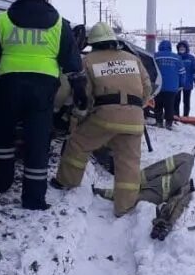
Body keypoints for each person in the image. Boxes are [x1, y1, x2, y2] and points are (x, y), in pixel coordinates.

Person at [0, 0, 86, 211]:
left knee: (4, 135)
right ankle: (33, 199)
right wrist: (79, 87)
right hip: (42, 89)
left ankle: (2, 182)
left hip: (9, 85)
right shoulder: (58, 23)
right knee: (37, 141)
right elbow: (72, 60)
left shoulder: (2, 20)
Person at [52, 22, 154, 216]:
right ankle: (125, 207)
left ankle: (66, 181)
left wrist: (78, 115)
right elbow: (147, 88)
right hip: (134, 118)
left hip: (104, 117)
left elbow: (85, 94)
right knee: (129, 163)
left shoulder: (88, 61)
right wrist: (134, 108)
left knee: (78, 143)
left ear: (93, 43)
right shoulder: (132, 59)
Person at [153, 40, 184, 129]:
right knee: (169, 106)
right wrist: (181, 84)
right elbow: (182, 72)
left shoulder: (155, 56)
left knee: (158, 105)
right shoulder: (177, 58)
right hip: (172, 87)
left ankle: (159, 122)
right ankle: (169, 123)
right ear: (170, 47)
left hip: (158, 86)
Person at [174, 40, 195, 117]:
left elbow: (194, 70)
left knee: (186, 101)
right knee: (176, 100)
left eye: (183, 47)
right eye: (180, 47)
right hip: (177, 83)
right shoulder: (176, 57)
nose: (181, 48)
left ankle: (186, 116)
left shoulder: (191, 58)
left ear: (186, 48)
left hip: (188, 83)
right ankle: (176, 115)